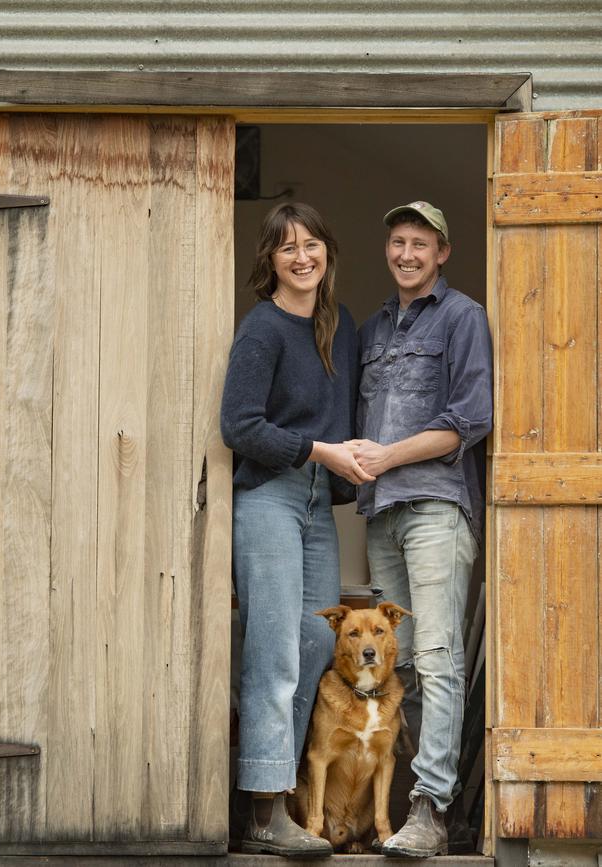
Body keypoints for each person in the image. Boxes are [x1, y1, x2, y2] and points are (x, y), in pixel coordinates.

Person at [220, 202, 373, 858]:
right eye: (287, 248)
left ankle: (276, 788)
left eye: (312, 243)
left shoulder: (342, 330)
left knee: (316, 640)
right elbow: (241, 425)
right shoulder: (262, 328)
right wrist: (320, 452)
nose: (302, 256)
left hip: (317, 502)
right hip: (270, 497)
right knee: (275, 649)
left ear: (327, 252)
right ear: (271, 261)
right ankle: (263, 813)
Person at [345, 201, 492, 859]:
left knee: (436, 654)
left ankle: (430, 806)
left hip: (435, 505)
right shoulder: (374, 329)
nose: (406, 253)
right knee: (403, 663)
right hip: (384, 515)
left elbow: (469, 419)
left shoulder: (462, 317)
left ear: (443, 252)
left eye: (420, 243)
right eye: (397, 241)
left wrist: (386, 455)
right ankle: (434, 809)